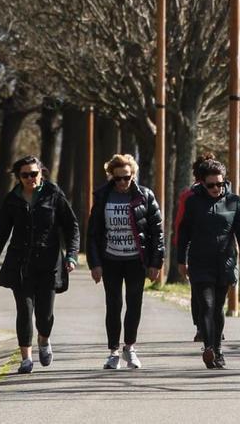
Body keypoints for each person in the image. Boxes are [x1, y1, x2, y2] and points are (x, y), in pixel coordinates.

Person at [0, 156, 79, 374]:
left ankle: (43, 339)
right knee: (24, 310)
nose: (30, 178)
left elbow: (71, 227)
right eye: (25, 175)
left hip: (49, 264)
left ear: (41, 173)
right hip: (20, 264)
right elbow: (1, 234)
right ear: (19, 177)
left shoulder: (53, 194)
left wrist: (71, 256)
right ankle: (26, 358)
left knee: (45, 315)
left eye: (33, 174)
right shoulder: (12, 199)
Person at [87, 154, 163, 370]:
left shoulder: (145, 196)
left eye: (126, 178)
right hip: (110, 259)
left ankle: (130, 347)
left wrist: (155, 263)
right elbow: (92, 233)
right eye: (117, 178)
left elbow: (157, 232)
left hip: (135, 261)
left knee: (134, 304)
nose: (122, 182)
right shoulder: (103, 197)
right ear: (111, 176)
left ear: (133, 176)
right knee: (113, 305)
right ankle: (113, 352)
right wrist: (95, 264)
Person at [177, 159, 240, 369]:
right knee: (206, 305)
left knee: (218, 307)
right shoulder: (193, 203)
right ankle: (209, 348)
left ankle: (218, 350)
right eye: (210, 185)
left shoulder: (233, 202)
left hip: (225, 262)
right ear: (202, 184)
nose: (215, 188)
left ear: (224, 182)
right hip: (200, 263)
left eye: (219, 184)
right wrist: (180, 260)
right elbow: (183, 233)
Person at [172, 152, 216, 343]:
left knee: (197, 289)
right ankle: (210, 324)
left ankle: (201, 325)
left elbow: (180, 223)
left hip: (194, 247)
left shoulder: (187, 194)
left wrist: (179, 246)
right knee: (216, 287)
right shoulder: (219, 191)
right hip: (216, 247)